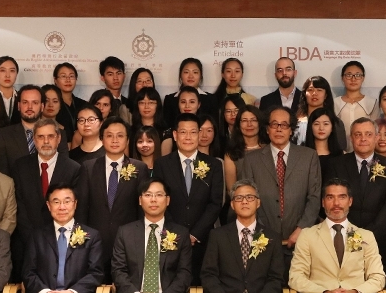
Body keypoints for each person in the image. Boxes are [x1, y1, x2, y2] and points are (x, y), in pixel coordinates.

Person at [240, 107, 322, 270]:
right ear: (267, 129)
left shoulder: (309, 156)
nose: (279, 129)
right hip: (261, 240)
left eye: (284, 125)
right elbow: (246, 199)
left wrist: (301, 230)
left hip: (301, 240)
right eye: (274, 124)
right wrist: (262, 232)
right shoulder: (251, 160)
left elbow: (314, 197)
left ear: (291, 130)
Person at [12, 118, 87, 281]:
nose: (46, 141)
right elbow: (19, 205)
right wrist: (33, 239)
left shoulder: (73, 168)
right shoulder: (20, 166)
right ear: (34, 139)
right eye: (40, 137)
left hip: (62, 242)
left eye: (51, 136)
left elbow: (74, 208)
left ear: (58, 139)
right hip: (26, 241)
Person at [153, 113, 225, 271]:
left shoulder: (213, 165)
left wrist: (195, 234)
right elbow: (159, 201)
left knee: (201, 287)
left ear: (199, 135)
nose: (188, 137)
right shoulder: (162, 164)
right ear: (175, 135)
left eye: (193, 132)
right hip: (170, 238)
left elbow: (215, 203)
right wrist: (176, 232)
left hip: (203, 239)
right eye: (183, 132)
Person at [82, 117, 148, 274]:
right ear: (102, 139)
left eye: (120, 135)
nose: (114, 140)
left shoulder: (139, 168)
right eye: (109, 135)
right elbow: (82, 209)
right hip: (95, 244)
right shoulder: (88, 167)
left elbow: (142, 210)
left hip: (128, 244)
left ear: (127, 140)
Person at [327, 118, 386, 255]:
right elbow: (332, 200)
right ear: (351, 138)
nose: (363, 139)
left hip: (379, 241)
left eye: (368, 134)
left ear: (376, 137)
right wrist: (349, 233)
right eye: (358, 134)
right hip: (343, 237)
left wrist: (367, 236)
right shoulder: (336, 165)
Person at [0, 85, 45, 176]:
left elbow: (61, 170)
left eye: (35, 103)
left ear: (42, 106)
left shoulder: (57, 134)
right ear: (18, 106)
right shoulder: (4, 135)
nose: (29, 107)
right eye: (25, 102)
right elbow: (1, 173)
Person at [294, 76, 345, 150]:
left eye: (319, 90)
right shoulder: (296, 123)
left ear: (326, 95)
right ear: (305, 94)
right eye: (310, 90)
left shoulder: (336, 123)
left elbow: (341, 150)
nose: (314, 93)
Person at [223, 106, 266, 194]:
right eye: (245, 120)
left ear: (260, 123)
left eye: (253, 120)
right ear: (238, 124)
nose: (249, 124)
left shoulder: (269, 149)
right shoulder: (231, 154)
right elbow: (231, 189)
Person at [303, 109, 345, 181]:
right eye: (316, 124)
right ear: (311, 127)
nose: (321, 128)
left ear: (332, 128)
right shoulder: (302, 154)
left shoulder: (341, 155)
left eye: (326, 124)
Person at [335, 61, 378, 133]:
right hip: (339, 144)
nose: (353, 79)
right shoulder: (334, 103)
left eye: (358, 75)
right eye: (349, 75)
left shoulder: (372, 103)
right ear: (342, 78)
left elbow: (375, 130)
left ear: (363, 78)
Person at [53, 63, 87, 137]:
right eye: (63, 76)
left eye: (71, 76)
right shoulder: (51, 106)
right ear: (55, 80)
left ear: (76, 79)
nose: (68, 80)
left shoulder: (84, 105)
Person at [99, 57, 131, 123]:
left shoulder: (130, 104)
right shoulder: (97, 103)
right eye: (110, 74)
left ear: (124, 76)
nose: (115, 78)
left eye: (119, 73)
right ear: (103, 78)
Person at [0, 56, 21, 125]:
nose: (7, 75)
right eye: (2, 70)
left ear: (16, 74)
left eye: (12, 71)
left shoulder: (21, 98)